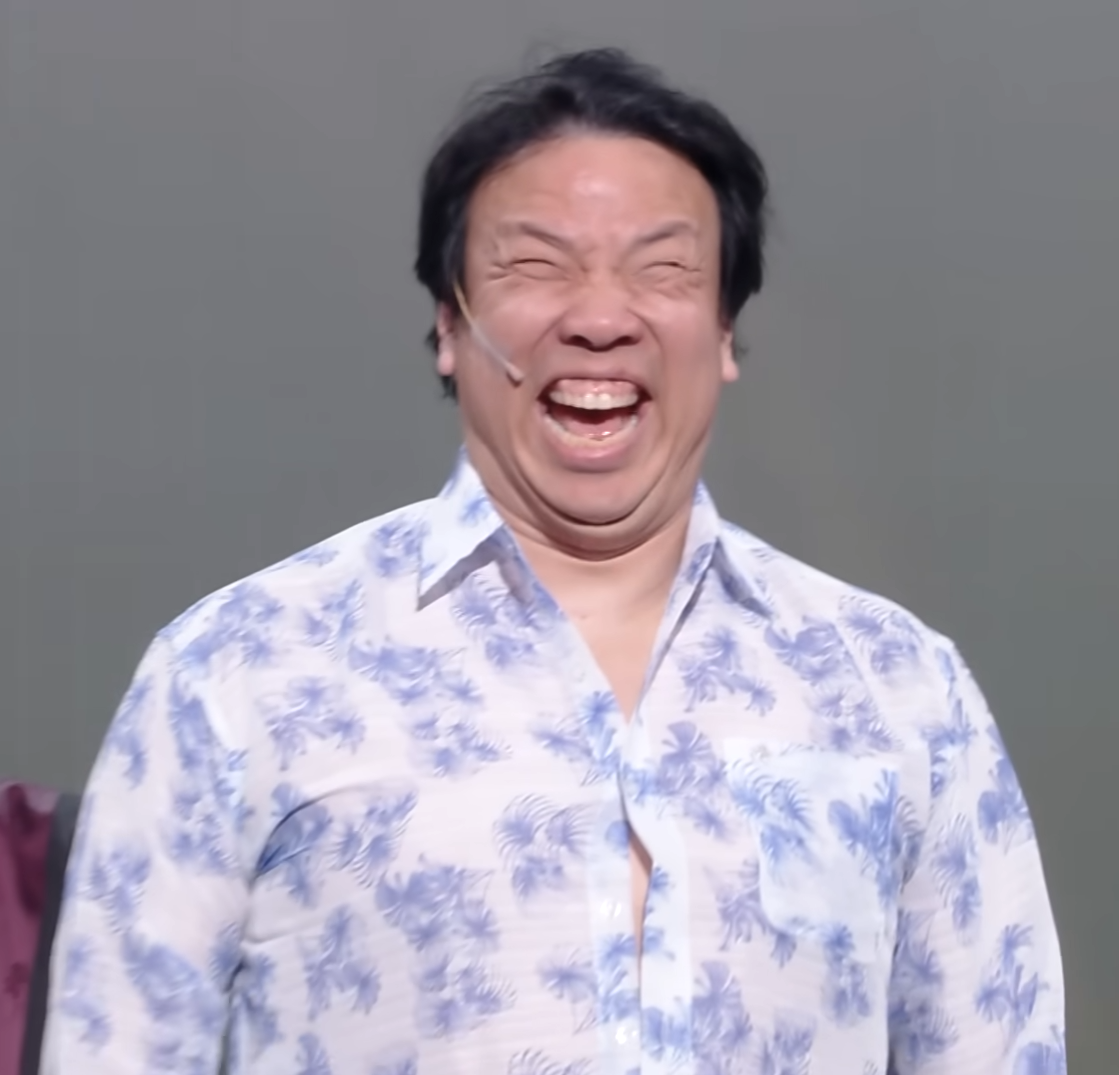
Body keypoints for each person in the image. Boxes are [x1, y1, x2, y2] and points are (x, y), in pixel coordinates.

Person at [41, 47, 1065, 1075]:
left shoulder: (898, 687)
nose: (601, 319)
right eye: (536, 266)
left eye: (662, 270)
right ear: (450, 322)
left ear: (724, 331)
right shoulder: (238, 673)